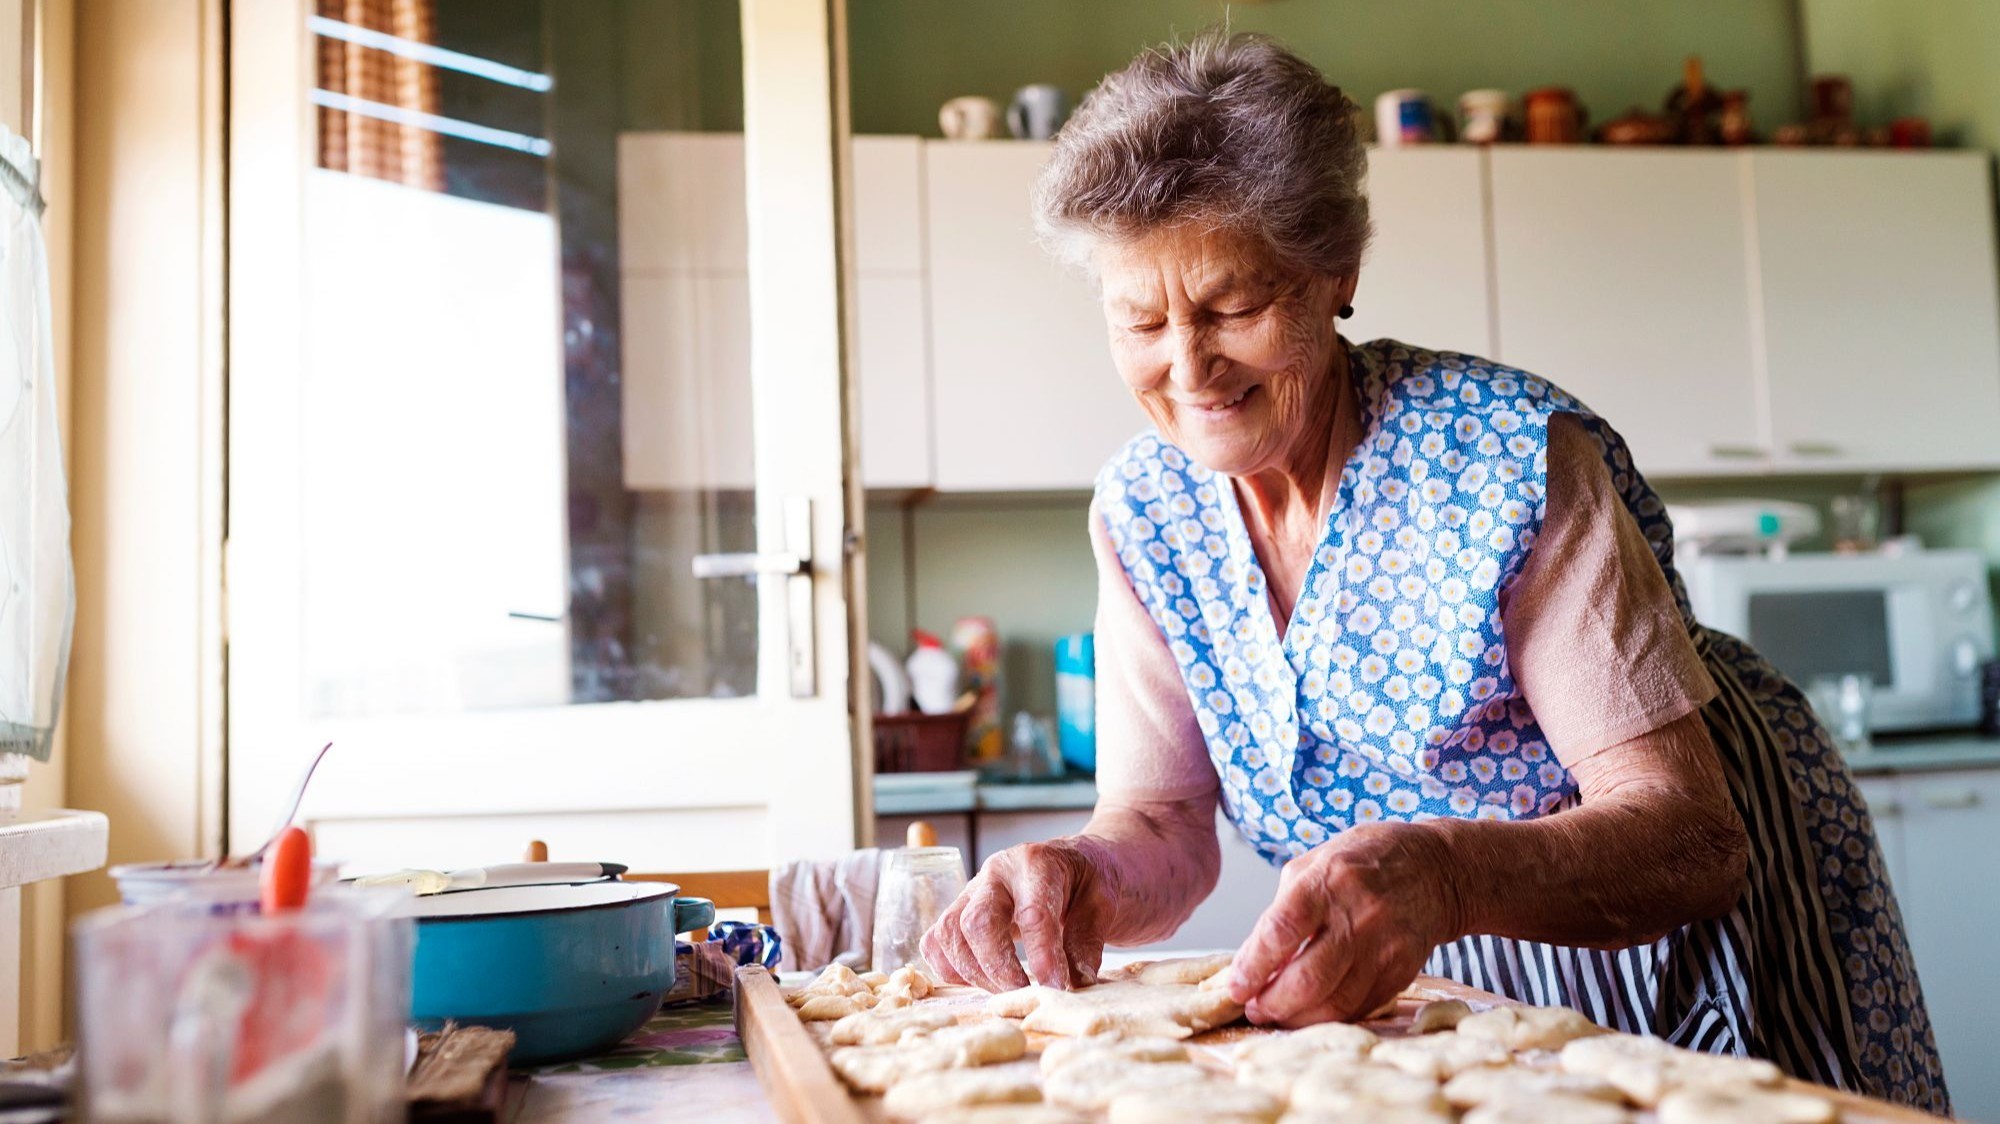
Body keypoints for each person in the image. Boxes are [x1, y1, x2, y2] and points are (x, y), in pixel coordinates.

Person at [918, 30, 1945, 1113]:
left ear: (1334, 272)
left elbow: (1684, 833)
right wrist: (1078, 872)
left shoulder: (1504, 460)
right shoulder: (1143, 511)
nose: (1186, 366)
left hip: (1670, 889)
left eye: (1230, 307)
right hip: (1439, 932)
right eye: (1138, 319)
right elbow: (1162, 825)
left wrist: (1443, 874)